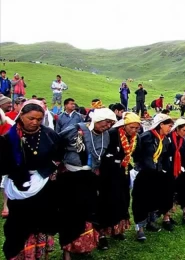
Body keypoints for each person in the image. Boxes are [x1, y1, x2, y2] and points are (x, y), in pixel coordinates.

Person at [0, 99, 62, 260]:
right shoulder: (9, 138)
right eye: (31, 118)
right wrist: (20, 173)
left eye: (39, 119)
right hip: (19, 187)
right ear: (21, 116)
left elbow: (58, 156)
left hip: (44, 188)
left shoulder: (50, 135)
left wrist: (49, 170)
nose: (35, 122)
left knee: (43, 221)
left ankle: (40, 255)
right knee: (18, 226)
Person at [58, 108, 116, 259]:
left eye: (111, 123)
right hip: (71, 178)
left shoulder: (106, 135)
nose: (107, 125)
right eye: (106, 121)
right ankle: (67, 251)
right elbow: (58, 144)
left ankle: (85, 247)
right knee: (70, 213)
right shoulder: (76, 129)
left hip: (90, 177)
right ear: (96, 119)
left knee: (89, 212)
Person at [97, 112, 141, 250]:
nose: (134, 130)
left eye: (136, 128)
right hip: (108, 174)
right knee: (106, 201)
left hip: (123, 172)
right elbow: (103, 154)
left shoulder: (134, 138)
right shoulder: (112, 134)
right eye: (132, 127)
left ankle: (116, 229)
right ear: (125, 125)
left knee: (122, 200)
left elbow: (134, 154)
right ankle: (101, 234)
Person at [132, 114, 173, 241]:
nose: (170, 129)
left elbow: (163, 157)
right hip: (144, 173)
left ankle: (150, 222)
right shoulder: (146, 137)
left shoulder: (165, 140)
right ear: (161, 124)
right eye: (169, 126)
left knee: (153, 199)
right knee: (140, 200)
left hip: (157, 173)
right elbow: (137, 154)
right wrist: (141, 167)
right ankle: (140, 228)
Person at [166, 119, 185, 224]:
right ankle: (166, 217)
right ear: (177, 129)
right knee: (168, 192)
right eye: (184, 130)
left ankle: (179, 213)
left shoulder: (182, 141)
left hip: (180, 170)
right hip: (169, 169)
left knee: (180, 191)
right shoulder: (168, 139)